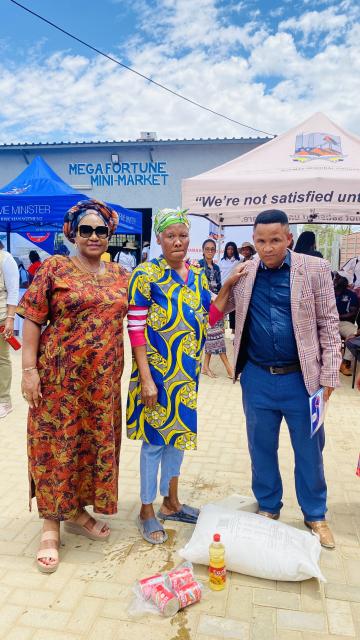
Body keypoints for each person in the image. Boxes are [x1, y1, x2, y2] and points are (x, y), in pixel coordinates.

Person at [213, 210, 341, 548]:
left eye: (274, 240)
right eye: (260, 241)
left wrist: (329, 377)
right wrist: (228, 282)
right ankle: (269, 506)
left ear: (288, 239)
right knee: (261, 447)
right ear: (252, 242)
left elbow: (328, 324)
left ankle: (315, 513)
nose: (267, 248)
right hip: (257, 378)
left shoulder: (313, 269)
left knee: (310, 451)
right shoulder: (245, 271)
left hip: (303, 381)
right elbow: (216, 312)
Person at [18, 199, 129, 573]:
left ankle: (77, 511)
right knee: (56, 446)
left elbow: (145, 318)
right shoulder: (54, 268)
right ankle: (51, 526)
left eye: (100, 230)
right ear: (73, 233)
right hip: (59, 382)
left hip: (101, 385)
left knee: (90, 445)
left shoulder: (120, 274)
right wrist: (29, 371)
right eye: (86, 230)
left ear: (109, 233)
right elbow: (32, 320)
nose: (94, 236)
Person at [126, 208, 240, 545]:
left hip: (186, 377)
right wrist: (145, 379)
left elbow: (210, 315)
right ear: (159, 238)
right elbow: (135, 329)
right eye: (170, 235)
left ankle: (171, 503)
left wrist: (230, 283)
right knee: (153, 443)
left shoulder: (198, 276)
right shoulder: (146, 275)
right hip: (156, 376)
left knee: (178, 439)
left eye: (183, 235)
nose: (178, 241)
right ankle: (146, 510)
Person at [199, 238, 233, 378]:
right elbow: (200, 287)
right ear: (203, 250)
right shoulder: (198, 266)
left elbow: (218, 287)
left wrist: (221, 300)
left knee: (213, 335)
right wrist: (211, 298)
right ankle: (229, 368)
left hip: (217, 305)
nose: (210, 251)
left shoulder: (217, 267)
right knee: (216, 335)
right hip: (205, 306)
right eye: (207, 249)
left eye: (212, 249)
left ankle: (205, 367)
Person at [0, 241, 19, 418]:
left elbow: (13, 291)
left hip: (1, 317)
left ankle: (4, 401)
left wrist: (10, 319)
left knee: (2, 359)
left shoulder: (5, 259)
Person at [334, 271, 359, 376]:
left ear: (345, 281)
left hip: (342, 322)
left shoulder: (351, 295)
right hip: (325, 322)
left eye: (339, 277)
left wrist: (337, 316)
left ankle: (345, 363)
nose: (336, 278)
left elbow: (352, 313)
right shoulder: (327, 291)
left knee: (354, 334)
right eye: (336, 277)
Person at [220, 242, 243, 334]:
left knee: (233, 310)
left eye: (232, 249)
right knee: (222, 308)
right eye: (228, 249)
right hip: (222, 287)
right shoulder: (221, 261)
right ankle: (222, 329)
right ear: (226, 250)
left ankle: (234, 330)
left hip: (234, 288)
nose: (230, 251)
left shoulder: (239, 260)